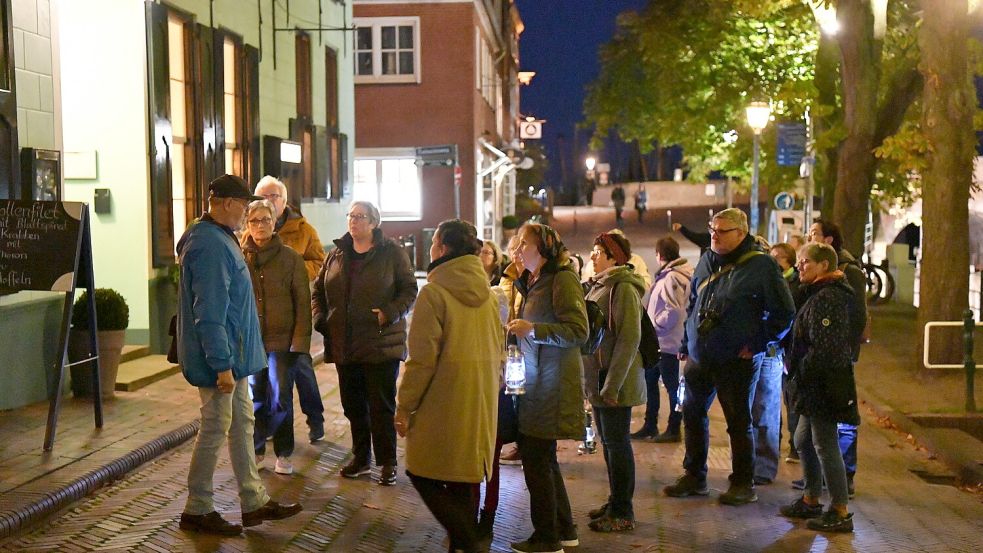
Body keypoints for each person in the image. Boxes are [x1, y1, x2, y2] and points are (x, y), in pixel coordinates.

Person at [176, 174, 301, 536]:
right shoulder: (210, 244)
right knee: (215, 429)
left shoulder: (216, 237)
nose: (247, 214)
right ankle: (197, 507)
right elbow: (210, 311)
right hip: (223, 361)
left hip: (235, 356)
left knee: (242, 424)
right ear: (228, 204)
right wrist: (222, 366)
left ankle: (254, 500)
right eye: (244, 206)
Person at [663, 208, 795, 506]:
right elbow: (694, 303)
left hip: (737, 359)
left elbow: (784, 313)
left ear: (741, 233)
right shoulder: (708, 259)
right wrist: (686, 341)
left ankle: (743, 483)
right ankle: (694, 476)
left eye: (721, 231)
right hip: (700, 355)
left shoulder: (761, 266)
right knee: (693, 415)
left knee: (738, 421)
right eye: (712, 229)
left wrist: (759, 342)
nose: (714, 235)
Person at [395, 219, 503, 553]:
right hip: (480, 398)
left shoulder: (434, 292)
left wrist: (404, 405)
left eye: (433, 243)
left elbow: (421, 360)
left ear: (441, 248)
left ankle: (468, 543)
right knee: (461, 479)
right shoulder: (486, 291)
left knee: (421, 470)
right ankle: (461, 544)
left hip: (441, 400)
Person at [312, 200, 418, 486]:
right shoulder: (337, 254)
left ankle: (387, 462)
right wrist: (320, 318)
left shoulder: (391, 253)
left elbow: (409, 289)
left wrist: (389, 313)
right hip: (345, 343)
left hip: (380, 343)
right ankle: (361, 458)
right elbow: (318, 290)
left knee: (380, 405)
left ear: (374, 223)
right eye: (351, 216)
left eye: (360, 217)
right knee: (353, 405)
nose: (353, 221)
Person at [505, 223, 588, 553]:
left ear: (544, 249)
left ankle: (547, 537)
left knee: (536, 459)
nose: (517, 248)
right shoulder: (532, 282)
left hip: (553, 385)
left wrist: (533, 329)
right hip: (537, 382)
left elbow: (577, 331)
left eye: (524, 243)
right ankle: (564, 530)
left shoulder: (562, 279)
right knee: (543, 459)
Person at [779, 242, 862, 533]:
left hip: (821, 385)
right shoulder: (816, 293)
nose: (799, 266)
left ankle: (839, 509)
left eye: (805, 262)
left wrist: (800, 372)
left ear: (824, 266)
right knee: (802, 439)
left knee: (824, 444)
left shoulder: (829, 298)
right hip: (810, 384)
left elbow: (825, 349)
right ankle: (811, 498)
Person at [243, 175, 326, 443]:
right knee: (264, 384)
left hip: (289, 321)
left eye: (273, 196)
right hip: (261, 329)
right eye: (262, 197)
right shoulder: (247, 238)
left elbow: (318, 261)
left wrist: (298, 273)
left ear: (284, 200)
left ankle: (315, 418)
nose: (268, 201)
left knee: (301, 371)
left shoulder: (303, 230)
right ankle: (267, 429)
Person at [242, 199, 312, 476]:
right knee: (256, 396)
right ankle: (258, 449)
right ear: (247, 225)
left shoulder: (290, 258)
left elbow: (303, 303)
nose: (260, 226)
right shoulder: (241, 257)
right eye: (255, 221)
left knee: (281, 395)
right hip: (252, 340)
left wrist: (300, 342)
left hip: (283, 341)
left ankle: (283, 452)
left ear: (274, 223)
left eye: (266, 220)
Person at [582, 232, 645, 532]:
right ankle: (614, 500)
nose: (592, 256)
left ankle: (623, 511)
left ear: (613, 257)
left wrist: (613, 385)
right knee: (609, 444)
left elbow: (629, 338)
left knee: (618, 445)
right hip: (600, 380)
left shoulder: (622, 288)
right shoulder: (598, 286)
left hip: (614, 381)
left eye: (598, 251)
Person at [806, 219, 867, 496]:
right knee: (808, 433)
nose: (810, 236)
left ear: (829, 240)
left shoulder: (848, 271)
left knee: (840, 419)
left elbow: (857, 314)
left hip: (837, 356)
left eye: (815, 233)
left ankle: (845, 477)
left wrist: (847, 349)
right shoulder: (815, 274)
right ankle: (816, 484)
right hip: (824, 357)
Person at [635, 236, 693, 442]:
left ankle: (673, 428)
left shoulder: (672, 278)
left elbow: (673, 311)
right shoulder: (675, 275)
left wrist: (655, 328)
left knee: (671, 387)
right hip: (664, 342)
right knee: (652, 382)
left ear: (659, 254)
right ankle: (650, 424)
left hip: (667, 343)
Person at [769, 243, 801, 463]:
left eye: (776, 257)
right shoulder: (777, 280)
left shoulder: (795, 285)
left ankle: (796, 447)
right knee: (774, 401)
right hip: (776, 349)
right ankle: (777, 442)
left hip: (789, 351)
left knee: (791, 400)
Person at [498, 235, 525, 467]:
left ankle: (527, 444)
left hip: (528, 341)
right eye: (512, 249)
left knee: (526, 396)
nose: (516, 253)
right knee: (515, 394)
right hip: (511, 341)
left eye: (520, 248)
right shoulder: (508, 276)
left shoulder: (534, 277)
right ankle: (519, 443)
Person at [580, 229, 652, 289]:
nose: (592, 257)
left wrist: (632, 287)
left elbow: (646, 282)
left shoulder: (636, 260)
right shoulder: (592, 265)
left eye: (598, 252)